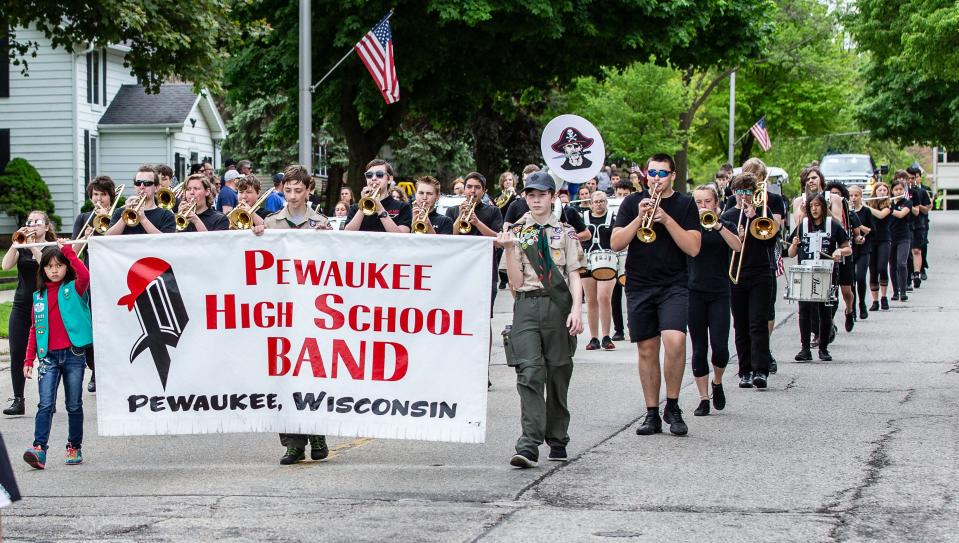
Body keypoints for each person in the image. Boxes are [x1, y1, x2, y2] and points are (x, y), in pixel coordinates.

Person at [497, 171, 585, 468]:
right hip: (527, 306)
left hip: (558, 307)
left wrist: (576, 310)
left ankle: (557, 437)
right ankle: (529, 443)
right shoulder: (518, 232)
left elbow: (574, 274)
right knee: (530, 372)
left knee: (559, 373)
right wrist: (510, 250)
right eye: (531, 195)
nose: (536, 200)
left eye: (541, 194)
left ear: (552, 197)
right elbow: (516, 282)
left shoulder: (566, 232)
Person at [611, 153, 700, 436]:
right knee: (647, 349)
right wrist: (640, 216)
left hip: (674, 284)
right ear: (646, 175)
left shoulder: (685, 204)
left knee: (675, 341)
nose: (657, 179)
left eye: (663, 173)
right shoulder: (630, 202)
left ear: (673, 175)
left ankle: (672, 405)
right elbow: (615, 243)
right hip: (639, 283)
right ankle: (651, 413)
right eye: (653, 173)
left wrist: (666, 220)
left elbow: (693, 248)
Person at [253, 165, 331, 465]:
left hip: (314, 310)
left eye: (299, 190)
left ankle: (317, 433)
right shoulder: (272, 222)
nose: (294, 196)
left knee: (314, 374)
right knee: (283, 377)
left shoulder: (320, 222)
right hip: (280, 311)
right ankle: (293, 444)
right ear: (282, 191)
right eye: (288, 190)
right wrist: (257, 235)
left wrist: (329, 238)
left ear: (309, 190)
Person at [22, 241, 93, 469]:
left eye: (59, 265)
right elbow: (35, 329)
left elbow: (85, 274)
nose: (54, 270)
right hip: (48, 357)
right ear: (42, 270)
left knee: (73, 404)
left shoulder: (74, 287)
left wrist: (69, 250)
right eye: (49, 266)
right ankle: (39, 449)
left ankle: (74, 446)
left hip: (73, 354)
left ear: (65, 268)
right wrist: (28, 359)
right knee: (45, 404)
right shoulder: (38, 297)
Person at [688, 184, 741, 415]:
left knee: (719, 348)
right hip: (693, 292)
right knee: (699, 348)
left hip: (719, 291)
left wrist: (717, 225)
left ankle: (717, 382)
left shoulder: (725, 225)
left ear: (716, 203)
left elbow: (737, 246)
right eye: (698, 202)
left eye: (707, 202)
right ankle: (703, 398)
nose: (702, 206)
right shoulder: (688, 227)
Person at [724, 173, 779, 388]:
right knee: (741, 325)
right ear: (734, 193)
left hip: (760, 273)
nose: (744, 196)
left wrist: (755, 217)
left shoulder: (763, 213)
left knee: (758, 323)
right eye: (740, 191)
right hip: (736, 274)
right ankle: (744, 370)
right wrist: (734, 234)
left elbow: (771, 242)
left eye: (748, 191)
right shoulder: (728, 215)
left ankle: (760, 371)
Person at [2, 211, 58, 416]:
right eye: (29, 222)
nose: (32, 225)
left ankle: (48, 400)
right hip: (22, 305)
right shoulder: (21, 246)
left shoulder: (52, 248)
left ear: (46, 227)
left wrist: (32, 245)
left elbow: (48, 267)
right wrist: (17, 243)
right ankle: (18, 399)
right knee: (17, 352)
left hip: (45, 306)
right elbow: (5, 265)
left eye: (37, 222)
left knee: (47, 354)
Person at [787, 193, 851, 361]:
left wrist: (839, 251)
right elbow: (791, 253)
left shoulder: (833, 225)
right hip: (806, 271)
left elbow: (848, 248)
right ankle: (805, 349)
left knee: (825, 311)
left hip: (826, 271)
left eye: (817, 205)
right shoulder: (803, 225)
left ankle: (823, 348)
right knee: (804, 311)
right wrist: (794, 244)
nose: (814, 209)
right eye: (811, 206)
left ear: (824, 207)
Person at [71, 176, 118, 393]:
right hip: (91, 274)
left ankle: (113, 369)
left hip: (112, 275)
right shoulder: (83, 218)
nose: (99, 199)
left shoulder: (118, 215)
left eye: (103, 194)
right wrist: (86, 236)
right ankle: (95, 371)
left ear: (111, 196)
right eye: (95, 195)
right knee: (92, 324)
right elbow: (74, 252)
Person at [581, 191, 617, 351]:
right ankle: (594, 337)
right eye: (596, 201)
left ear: (606, 203)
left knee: (604, 297)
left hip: (606, 260)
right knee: (590, 300)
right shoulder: (584, 218)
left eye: (602, 201)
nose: (599, 204)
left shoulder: (612, 218)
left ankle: (606, 335)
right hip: (587, 260)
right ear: (591, 203)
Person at [825, 181, 859, 332]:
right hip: (831, 255)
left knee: (846, 291)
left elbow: (839, 223)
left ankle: (849, 311)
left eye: (837, 194)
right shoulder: (821, 213)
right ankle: (829, 323)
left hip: (845, 253)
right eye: (832, 194)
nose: (835, 197)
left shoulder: (848, 213)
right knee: (831, 293)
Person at [105, 166, 176, 235]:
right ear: (134, 186)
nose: (141, 187)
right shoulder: (120, 212)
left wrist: (143, 219)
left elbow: (166, 242)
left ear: (157, 188)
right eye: (138, 183)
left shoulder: (167, 215)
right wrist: (124, 217)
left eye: (147, 183)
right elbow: (107, 238)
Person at [345, 160, 412, 234]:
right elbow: (347, 235)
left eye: (379, 174)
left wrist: (380, 209)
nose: (373, 178)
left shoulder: (403, 207)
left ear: (389, 179)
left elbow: (402, 236)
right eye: (369, 175)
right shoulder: (355, 208)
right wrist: (363, 207)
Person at [865, 181, 894, 311]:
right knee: (873, 270)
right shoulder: (869, 205)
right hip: (871, 240)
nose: (882, 192)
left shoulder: (888, 205)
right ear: (875, 192)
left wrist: (865, 207)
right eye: (879, 190)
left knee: (882, 267)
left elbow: (881, 216)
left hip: (884, 240)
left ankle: (884, 297)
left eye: (884, 190)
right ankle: (875, 301)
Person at [848, 186, 873, 319]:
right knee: (851, 280)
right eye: (851, 195)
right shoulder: (845, 212)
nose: (853, 198)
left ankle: (862, 303)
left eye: (856, 195)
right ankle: (852, 308)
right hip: (850, 249)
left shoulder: (866, 211)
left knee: (860, 277)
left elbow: (871, 230)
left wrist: (857, 224)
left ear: (860, 196)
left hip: (864, 248)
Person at [888, 178, 914, 302]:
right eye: (896, 189)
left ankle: (903, 291)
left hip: (904, 237)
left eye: (900, 189)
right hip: (890, 237)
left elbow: (901, 214)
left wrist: (888, 209)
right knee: (892, 265)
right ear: (892, 191)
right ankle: (895, 291)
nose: (898, 192)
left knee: (901, 263)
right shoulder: (888, 203)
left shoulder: (907, 203)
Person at [906, 165, 930, 288]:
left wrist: (917, 205)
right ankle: (909, 274)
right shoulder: (901, 192)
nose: (910, 180)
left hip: (919, 224)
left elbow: (926, 210)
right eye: (908, 178)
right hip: (906, 225)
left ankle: (917, 273)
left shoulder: (921, 192)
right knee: (907, 252)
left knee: (916, 250)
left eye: (913, 178)